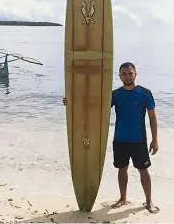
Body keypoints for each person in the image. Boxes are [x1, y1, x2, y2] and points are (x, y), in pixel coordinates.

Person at [63, 62, 159, 213]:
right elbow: (95, 107)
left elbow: (152, 117)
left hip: (139, 140)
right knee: (122, 169)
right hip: (120, 140)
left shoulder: (145, 93)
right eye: (124, 74)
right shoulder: (115, 95)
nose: (127, 76)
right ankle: (123, 198)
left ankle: (149, 201)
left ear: (135, 74)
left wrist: (155, 140)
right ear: (120, 76)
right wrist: (71, 103)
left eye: (130, 73)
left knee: (143, 170)